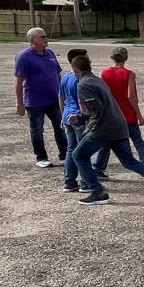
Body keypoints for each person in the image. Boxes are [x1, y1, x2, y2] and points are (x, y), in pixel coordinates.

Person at [67, 55, 144, 205]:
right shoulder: (97, 80)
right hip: (119, 125)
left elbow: (96, 110)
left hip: (104, 129)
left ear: (75, 69)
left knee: (79, 155)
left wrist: (82, 120)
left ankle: (97, 192)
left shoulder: (84, 84)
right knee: (129, 161)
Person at [92, 47, 144, 178]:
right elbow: (131, 96)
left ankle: (98, 168)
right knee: (139, 143)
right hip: (127, 115)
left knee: (106, 143)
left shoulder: (103, 73)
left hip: (111, 115)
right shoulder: (129, 74)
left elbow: (102, 94)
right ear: (126, 58)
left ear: (112, 57)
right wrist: (139, 114)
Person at [14, 27, 67, 168]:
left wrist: (62, 94)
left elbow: (58, 74)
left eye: (45, 36)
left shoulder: (50, 53)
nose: (46, 39)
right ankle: (41, 158)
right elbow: (19, 81)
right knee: (37, 130)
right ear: (33, 40)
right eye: (42, 37)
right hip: (34, 101)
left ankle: (64, 156)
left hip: (53, 99)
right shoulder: (24, 56)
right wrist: (20, 103)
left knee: (61, 127)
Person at [58, 48, 90, 192]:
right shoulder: (79, 79)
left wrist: (62, 115)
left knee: (71, 149)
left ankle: (69, 181)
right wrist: (87, 118)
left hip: (67, 116)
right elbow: (82, 100)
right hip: (78, 117)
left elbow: (61, 97)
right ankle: (85, 182)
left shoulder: (65, 77)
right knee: (83, 150)